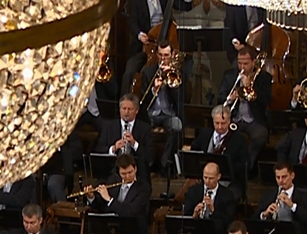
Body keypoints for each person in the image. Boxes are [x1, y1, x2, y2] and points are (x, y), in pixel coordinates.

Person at [69, 154, 150, 234]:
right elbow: (100, 205)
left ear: (135, 169)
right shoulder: (113, 181)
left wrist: (110, 200)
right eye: (123, 174)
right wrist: (91, 197)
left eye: (130, 172)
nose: (127, 176)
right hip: (109, 232)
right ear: (118, 172)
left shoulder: (143, 188)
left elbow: (130, 212)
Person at [124, 0, 192, 93]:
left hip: (166, 41)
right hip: (146, 44)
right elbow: (132, 22)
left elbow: (186, 6)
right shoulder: (135, 2)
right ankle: (126, 101)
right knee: (130, 70)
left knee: (187, 63)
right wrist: (140, 35)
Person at [220, 44, 271, 168]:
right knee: (225, 135)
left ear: (253, 62)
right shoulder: (229, 75)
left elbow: (266, 100)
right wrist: (230, 98)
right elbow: (220, 98)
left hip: (254, 120)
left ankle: (247, 167)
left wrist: (250, 88)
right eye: (239, 63)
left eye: (245, 64)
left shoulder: (264, 78)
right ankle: (229, 167)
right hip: (234, 119)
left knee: (260, 136)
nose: (242, 67)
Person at [141, 41, 186, 174]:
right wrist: (154, 89)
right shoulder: (149, 73)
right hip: (151, 114)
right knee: (141, 127)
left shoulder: (178, 73)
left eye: (166, 55)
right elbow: (143, 101)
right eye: (160, 55)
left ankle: (164, 164)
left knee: (177, 126)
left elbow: (180, 99)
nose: (163, 59)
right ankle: (148, 164)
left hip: (169, 113)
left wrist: (170, 84)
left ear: (172, 55)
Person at [186, 104, 251, 197]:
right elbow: (194, 153)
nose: (220, 127)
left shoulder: (239, 140)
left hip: (230, 182)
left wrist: (227, 168)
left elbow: (245, 165)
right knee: (191, 193)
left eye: (223, 123)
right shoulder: (204, 134)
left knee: (230, 197)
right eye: (217, 123)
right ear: (213, 121)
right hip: (206, 179)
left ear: (229, 121)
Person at [97, 93, 155, 179]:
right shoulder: (108, 126)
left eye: (130, 109)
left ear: (137, 110)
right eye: (124, 109)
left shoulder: (144, 128)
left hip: (136, 172)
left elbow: (150, 155)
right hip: (112, 171)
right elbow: (99, 148)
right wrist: (113, 148)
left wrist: (134, 144)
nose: (126, 112)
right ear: (120, 109)